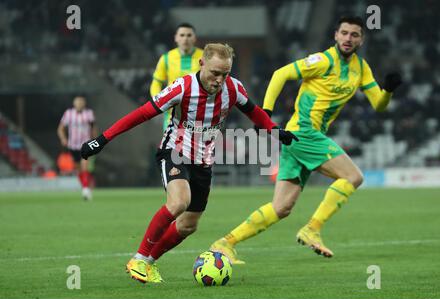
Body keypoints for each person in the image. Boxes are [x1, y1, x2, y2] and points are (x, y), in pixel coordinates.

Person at [80, 43, 298, 283]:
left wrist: (275, 130)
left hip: (204, 161)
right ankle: (139, 258)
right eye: (215, 73)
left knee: (188, 225)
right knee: (178, 202)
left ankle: (149, 263)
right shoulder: (182, 87)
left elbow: (254, 112)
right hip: (174, 151)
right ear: (202, 63)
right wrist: (102, 139)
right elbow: (142, 113)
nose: (220, 79)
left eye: (225, 74)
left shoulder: (233, 89)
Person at [210, 16, 403, 264]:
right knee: (353, 176)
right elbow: (281, 74)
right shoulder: (322, 61)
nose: (348, 38)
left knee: (281, 207)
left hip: (301, 137)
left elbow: (378, 105)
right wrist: (265, 114)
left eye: (354, 34)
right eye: (344, 33)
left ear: (361, 39)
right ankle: (312, 228)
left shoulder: (361, 68)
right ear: (336, 35)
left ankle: (225, 243)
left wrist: (387, 91)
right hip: (304, 131)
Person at [150, 22, 203, 131]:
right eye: (182, 35)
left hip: (199, 114)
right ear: (176, 38)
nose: (185, 39)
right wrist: (158, 101)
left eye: (189, 35)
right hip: (172, 116)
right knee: (173, 147)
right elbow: (156, 82)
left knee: (196, 147)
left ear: (194, 38)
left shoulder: (204, 57)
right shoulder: (166, 58)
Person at [57, 96, 98, 200]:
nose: (79, 104)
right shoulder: (68, 113)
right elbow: (60, 128)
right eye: (77, 102)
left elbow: (93, 128)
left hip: (85, 144)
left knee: (84, 165)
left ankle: (85, 190)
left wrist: (95, 141)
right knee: (78, 169)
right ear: (74, 104)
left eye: (81, 102)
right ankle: (86, 187)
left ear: (84, 104)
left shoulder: (89, 113)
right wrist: (63, 139)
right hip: (72, 145)